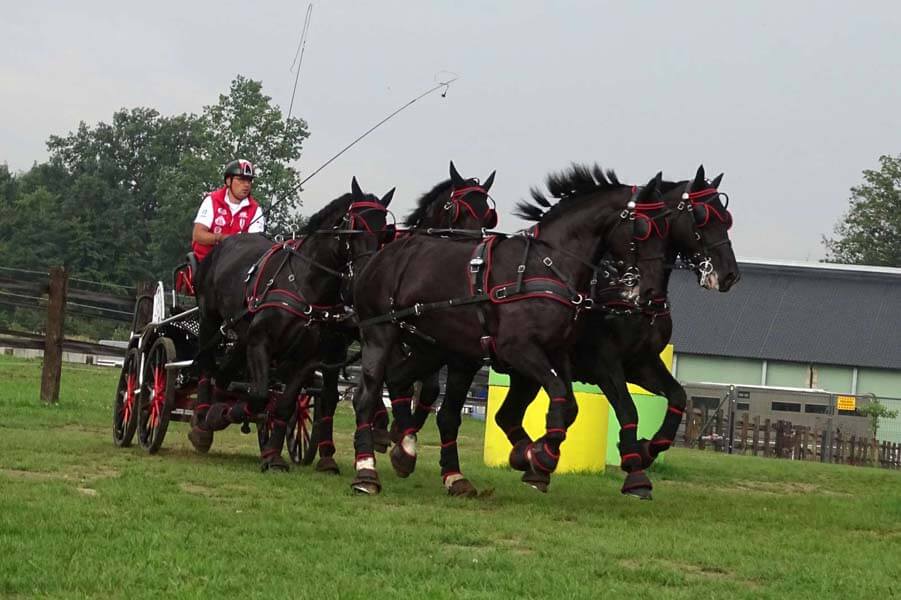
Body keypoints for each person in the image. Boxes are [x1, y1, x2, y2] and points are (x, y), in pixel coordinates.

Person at [191, 159, 264, 262]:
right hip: (206, 262)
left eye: (249, 180)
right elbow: (198, 235)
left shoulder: (256, 210)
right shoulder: (212, 200)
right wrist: (222, 238)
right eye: (241, 179)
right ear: (228, 181)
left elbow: (254, 243)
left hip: (236, 264)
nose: (246, 185)